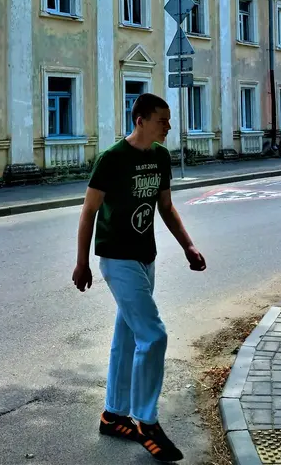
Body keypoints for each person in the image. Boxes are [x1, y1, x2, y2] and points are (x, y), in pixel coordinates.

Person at [72, 93, 206, 462]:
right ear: (140, 120)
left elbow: (165, 206)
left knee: (128, 336)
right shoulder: (112, 159)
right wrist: (81, 262)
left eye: (169, 120)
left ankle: (114, 415)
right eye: (162, 120)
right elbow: (88, 213)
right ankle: (146, 421)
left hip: (146, 258)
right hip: (117, 259)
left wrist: (188, 246)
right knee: (154, 334)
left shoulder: (161, 157)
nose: (168, 126)